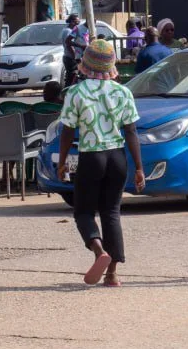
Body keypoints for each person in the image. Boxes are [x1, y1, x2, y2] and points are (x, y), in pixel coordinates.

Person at [56, 39, 145, 287]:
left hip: (91, 157)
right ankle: (112, 274)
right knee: (111, 212)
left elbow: (67, 131)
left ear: (85, 64)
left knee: (83, 211)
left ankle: (99, 252)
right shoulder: (123, 92)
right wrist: (139, 168)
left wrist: (62, 162)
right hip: (117, 157)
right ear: (111, 65)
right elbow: (131, 132)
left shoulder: (76, 93)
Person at [62, 14, 90, 87]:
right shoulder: (69, 31)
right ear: (72, 22)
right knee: (71, 78)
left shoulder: (68, 30)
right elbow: (69, 45)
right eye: (77, 22)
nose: (78, 24)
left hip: (70, 56)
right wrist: (75, 57)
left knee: (72, 77)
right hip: (70, 57)